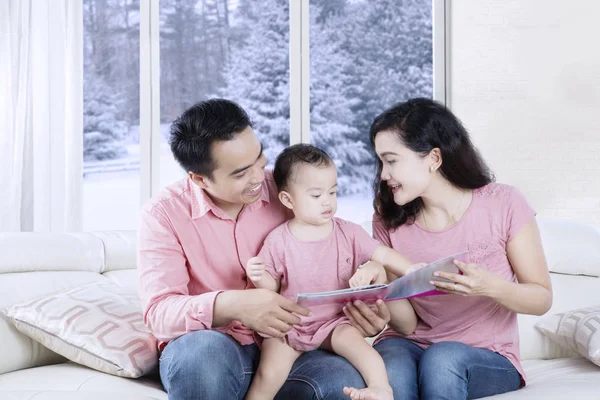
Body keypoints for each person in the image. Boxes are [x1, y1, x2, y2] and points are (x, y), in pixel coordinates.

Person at [137, 99, 390, 399]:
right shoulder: (164, 214)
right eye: (241, 173)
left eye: (259, 158)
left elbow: (342, 247)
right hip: (214, 350)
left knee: (343, 383)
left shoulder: (288, 191)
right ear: (200, 179)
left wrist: (368, 301)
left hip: (293, 345)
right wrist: (233, 305)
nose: (259, 177)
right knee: (202, 358)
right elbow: (158, 313)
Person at [346, 97, 553, 400]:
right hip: (407, 344)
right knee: (390, 374)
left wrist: (489, 286)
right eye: (380, 162)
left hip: (486, 355)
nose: (383, 174)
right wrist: (383, 285)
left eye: (391, 160)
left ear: (433, 158)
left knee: (442, 360)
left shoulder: (504, 203)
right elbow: (407, 325)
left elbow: (541, 299)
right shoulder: (388, 222)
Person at [244, 144, 419, 400]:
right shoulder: (278, 240)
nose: (327, 201)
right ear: (288, 199)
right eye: (316, 195)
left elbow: (382, 254)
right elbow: (272, 289)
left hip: (335, 321)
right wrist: (259, 277)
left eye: (333, 192)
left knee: (363, 351)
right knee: (268, 373)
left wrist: (410, 269)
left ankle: (381, 389)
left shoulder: (348, 232)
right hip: (291, 324)